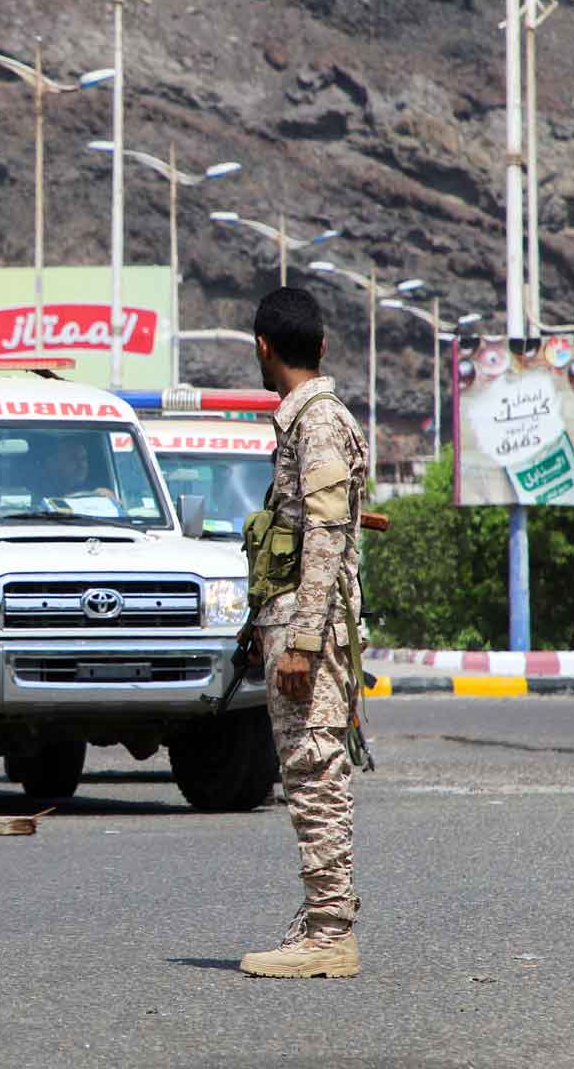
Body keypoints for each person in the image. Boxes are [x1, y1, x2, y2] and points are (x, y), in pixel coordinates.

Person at [238, 287, 370, 979]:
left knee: (316, 773)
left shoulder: (317, 423)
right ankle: (323, 917)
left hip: (307, 633)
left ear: (264, 347)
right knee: (308, 772)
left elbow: (323, 536)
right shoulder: (307, 421)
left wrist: (302, 644)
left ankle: (328, 933)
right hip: (296, 623)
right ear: (319, 346)